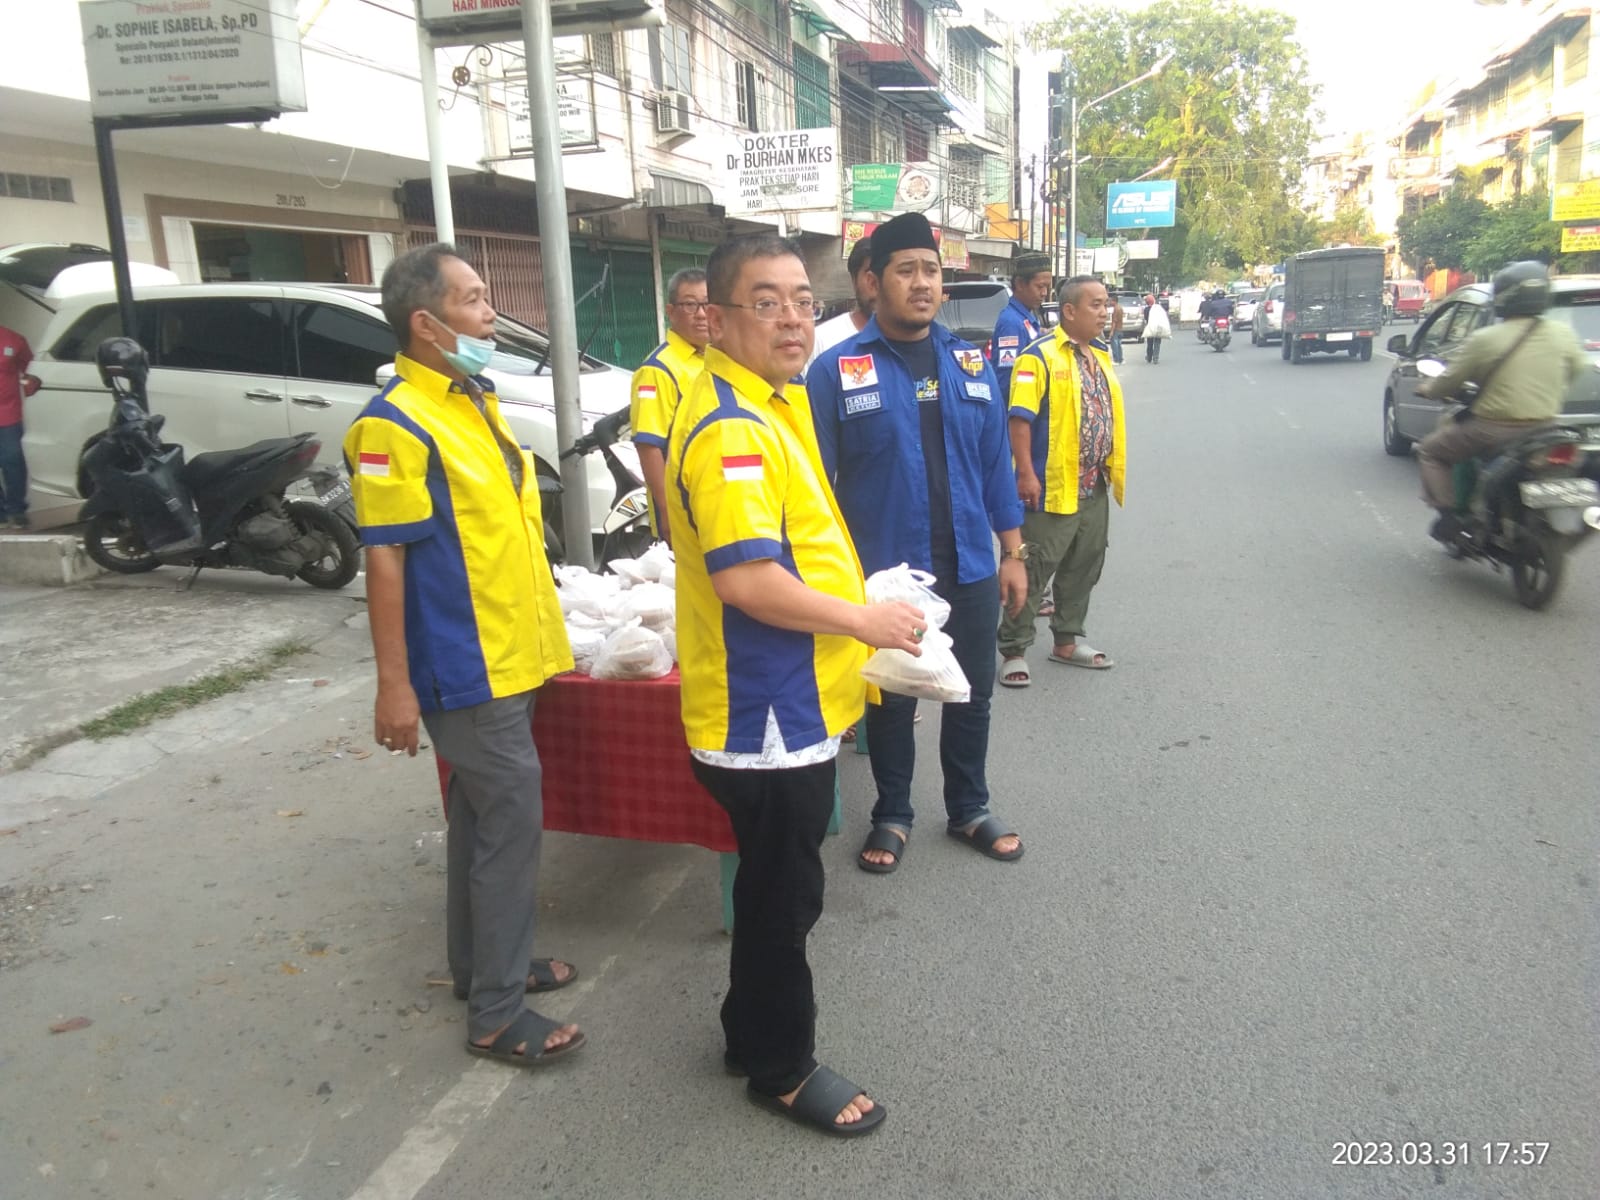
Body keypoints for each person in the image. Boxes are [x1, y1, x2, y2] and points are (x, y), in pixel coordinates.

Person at [667, 232, 923, 1137]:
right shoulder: (733, 429)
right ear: (716, 318)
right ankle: (779, 1067)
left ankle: (749, 1033)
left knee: (775, 886)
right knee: (784, 900)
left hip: (787, 696)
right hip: (765, 711)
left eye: (802, 301)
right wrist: (863, 620)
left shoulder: (767, 402)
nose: (791, 319)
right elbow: (747, 581)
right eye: (765, 302)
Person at [343, 243, 584, 1070]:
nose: (490, 316)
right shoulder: (394, 424)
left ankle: (482, 969)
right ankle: (496, 1014)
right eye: (475, 300)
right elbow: (385, 560)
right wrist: (394, 687)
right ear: (427, 322)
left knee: (480, 821)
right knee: (511, 825)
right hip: (464, 663)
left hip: (511, 652)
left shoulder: (470, 400)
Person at [808, 211, 1028, 874]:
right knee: (892, 697)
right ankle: (893, 812)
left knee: (974, 692)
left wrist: (1012, 552)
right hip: (887, 576)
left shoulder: (969, 362)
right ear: (873, 282)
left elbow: (995, 467)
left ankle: (969, 807)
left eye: (931, 270)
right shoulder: (836, 371)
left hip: (970, 561)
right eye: (906, 270)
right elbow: (816, 487)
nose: (923, 283)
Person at [998, 275, 1126, 687]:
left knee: (1083, 566)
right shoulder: (1037, 357)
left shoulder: (1100, 354)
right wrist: (1025, 473)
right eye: (1096, 305)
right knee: (1034, 567)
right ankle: (1014, 650)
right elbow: (1019, 418)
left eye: (1106, 304)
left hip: (1093, 484)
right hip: (1051, 486)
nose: (1104, 312)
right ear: (1069, 311)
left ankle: (1067, 641)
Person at [1416, 260, 1586, 542]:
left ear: (1503, 297)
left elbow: (1450, 381)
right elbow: (1576, 369)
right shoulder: (1563, 334)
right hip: (1547, 427)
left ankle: (1449, 517)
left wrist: (1427, 389)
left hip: (1492, 430)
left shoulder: (1486, 339)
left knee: (1430, 452)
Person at [630, 267, 709, 539]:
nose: (701, 314)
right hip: (682, 508)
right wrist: (668, 512)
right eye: (690, 305)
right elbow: (649, 445)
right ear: (671, 311)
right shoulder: (657, 370)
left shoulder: (714, 359)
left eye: (707, 304)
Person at [990, 253, 1051, 399]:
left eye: (1047, 287)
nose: (1044, 293)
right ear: (1020, 284)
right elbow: (1008, 376)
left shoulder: (1026, 317)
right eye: (1040, 286)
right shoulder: (1011, 322)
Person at [810, 236, 874, 365]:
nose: (879, 283)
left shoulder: (913, 340)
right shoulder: (821, 341)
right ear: (854, 280)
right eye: (870, 275)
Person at [0, 323, 37, 529]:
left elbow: (31, 371)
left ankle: (16, 510)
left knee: (12, 460)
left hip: (8, 414)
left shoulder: (14, 340)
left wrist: (32, 390)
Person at [1143, 293, 1171, 364]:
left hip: (1150, 328)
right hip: (1158, 327)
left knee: (1150, 343)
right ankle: (1155, 358)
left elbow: (1145, 318)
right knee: (1157, 343)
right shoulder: (1158, 308)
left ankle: (1149, 357)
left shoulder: (1146, 309)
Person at [1109, 292, 1125, 365]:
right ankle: (1121, 359)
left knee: (1114, 344)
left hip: (1116, 329)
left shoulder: (1116, 309)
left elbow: (1114, 321)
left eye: (1111, 301)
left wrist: (1111, 331)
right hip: (1120, 328)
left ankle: (1116, 360)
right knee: (1119, 344)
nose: (1110, 302)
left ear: (1114, 301)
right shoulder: (1120, 308)